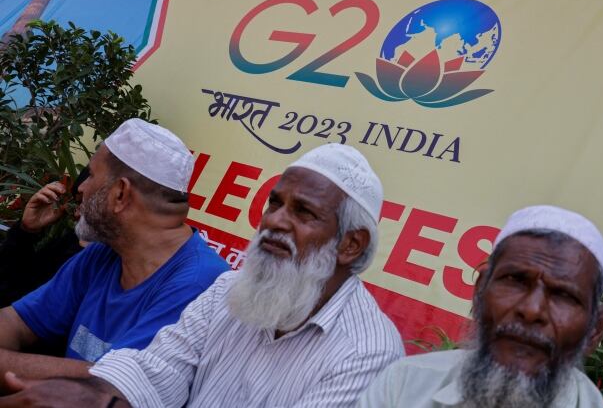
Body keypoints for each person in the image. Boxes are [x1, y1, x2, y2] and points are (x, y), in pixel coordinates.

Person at [0, 143, 404, 407]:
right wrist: (89, 398)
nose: (275, 221)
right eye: (274, 203)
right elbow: (152, 375)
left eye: (304, 213)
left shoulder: (368, 353)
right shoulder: (228, 291)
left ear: (350, 245)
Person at [0, 118, 229, 386]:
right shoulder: (101, 255)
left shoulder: (200, 285)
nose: (81, 188)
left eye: (92, 175)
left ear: (120, 193)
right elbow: (16, 322)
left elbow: (115, 386)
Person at [359, 205, 603, 408]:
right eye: (515, 280)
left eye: (563, 295)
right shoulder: (403, 386)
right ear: (480, 292)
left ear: (595, 329)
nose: (532, 310)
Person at [0, 168, 89, 309]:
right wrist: (26, 230)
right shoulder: (71, 242)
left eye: (84, 202)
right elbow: (12, 286)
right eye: (77, 203)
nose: (76, 213)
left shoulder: (112, 269)